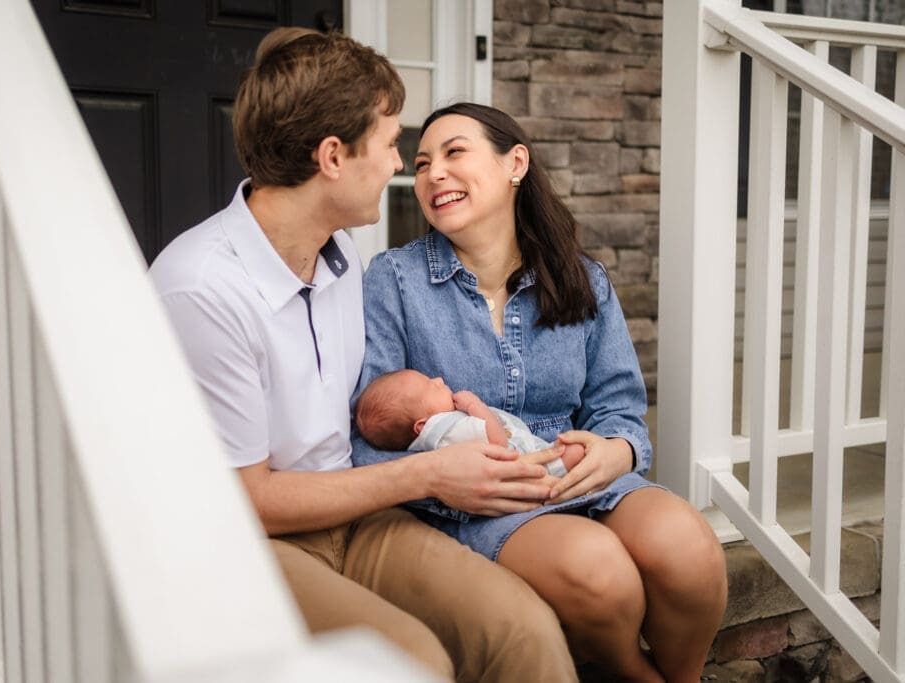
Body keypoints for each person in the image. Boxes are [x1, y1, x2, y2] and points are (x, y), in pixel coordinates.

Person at [149, 29, 578, 683]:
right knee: (416, 663)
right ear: (331, 157)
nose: (400, 162)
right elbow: (248, 499)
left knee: (525, 632)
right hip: (243, 542)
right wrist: (430, 473)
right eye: (388, 142)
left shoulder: (343, 258)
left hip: (356, 515)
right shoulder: (203, 285)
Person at [351, 102, 728, 682]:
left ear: (515, 164)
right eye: (422, 163)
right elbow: (371, 429)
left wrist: (616, 453)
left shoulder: (584, 279)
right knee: (601, 572)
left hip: (580, 475)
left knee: (690, 549)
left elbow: (618, 411)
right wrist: (451, 476)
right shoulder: (394, 280)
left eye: (454, 153)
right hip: (480, 501)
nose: (432, 175)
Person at [356, 369, 585, 478]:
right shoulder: (447, 430)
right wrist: (475, 406)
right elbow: (498, 443)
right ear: (421, 425)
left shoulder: (436, 433)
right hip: (525, 466)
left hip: (526, 459)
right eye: (431, 386)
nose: (438, 380)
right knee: (576, 451)